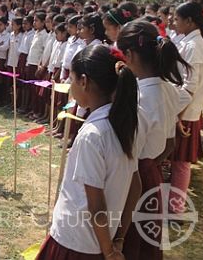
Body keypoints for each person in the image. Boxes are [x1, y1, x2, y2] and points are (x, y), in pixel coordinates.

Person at [37, 45, 141, 260]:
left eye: (72, 79)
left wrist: (110, 252)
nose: (70, 85)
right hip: (103, 238)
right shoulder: (126, 123)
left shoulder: (93, 135)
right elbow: (135, 185)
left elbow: (96, 206)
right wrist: (118, 238)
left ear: (83, 81)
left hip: (77, 242)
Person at [117, 20, 191, 259]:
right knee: (146, 244)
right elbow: (170, 143)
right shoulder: (169, 89)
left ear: (128, 54)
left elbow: (127, 154)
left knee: (128, 241)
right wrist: (150, 165)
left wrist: (141, 166)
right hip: (152, 176)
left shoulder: (139, 96)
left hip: (133, 182)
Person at [170, 2, 203, 213]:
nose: (174, 24)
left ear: (189, 21)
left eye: (177, 19)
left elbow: (190, 85)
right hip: (182, 107)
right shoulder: (189, 42)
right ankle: (173, 203)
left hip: (186, 111)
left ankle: (176, 208)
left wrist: (178, 114)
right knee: (177, 160)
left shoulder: (195, 46)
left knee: (181, 162)